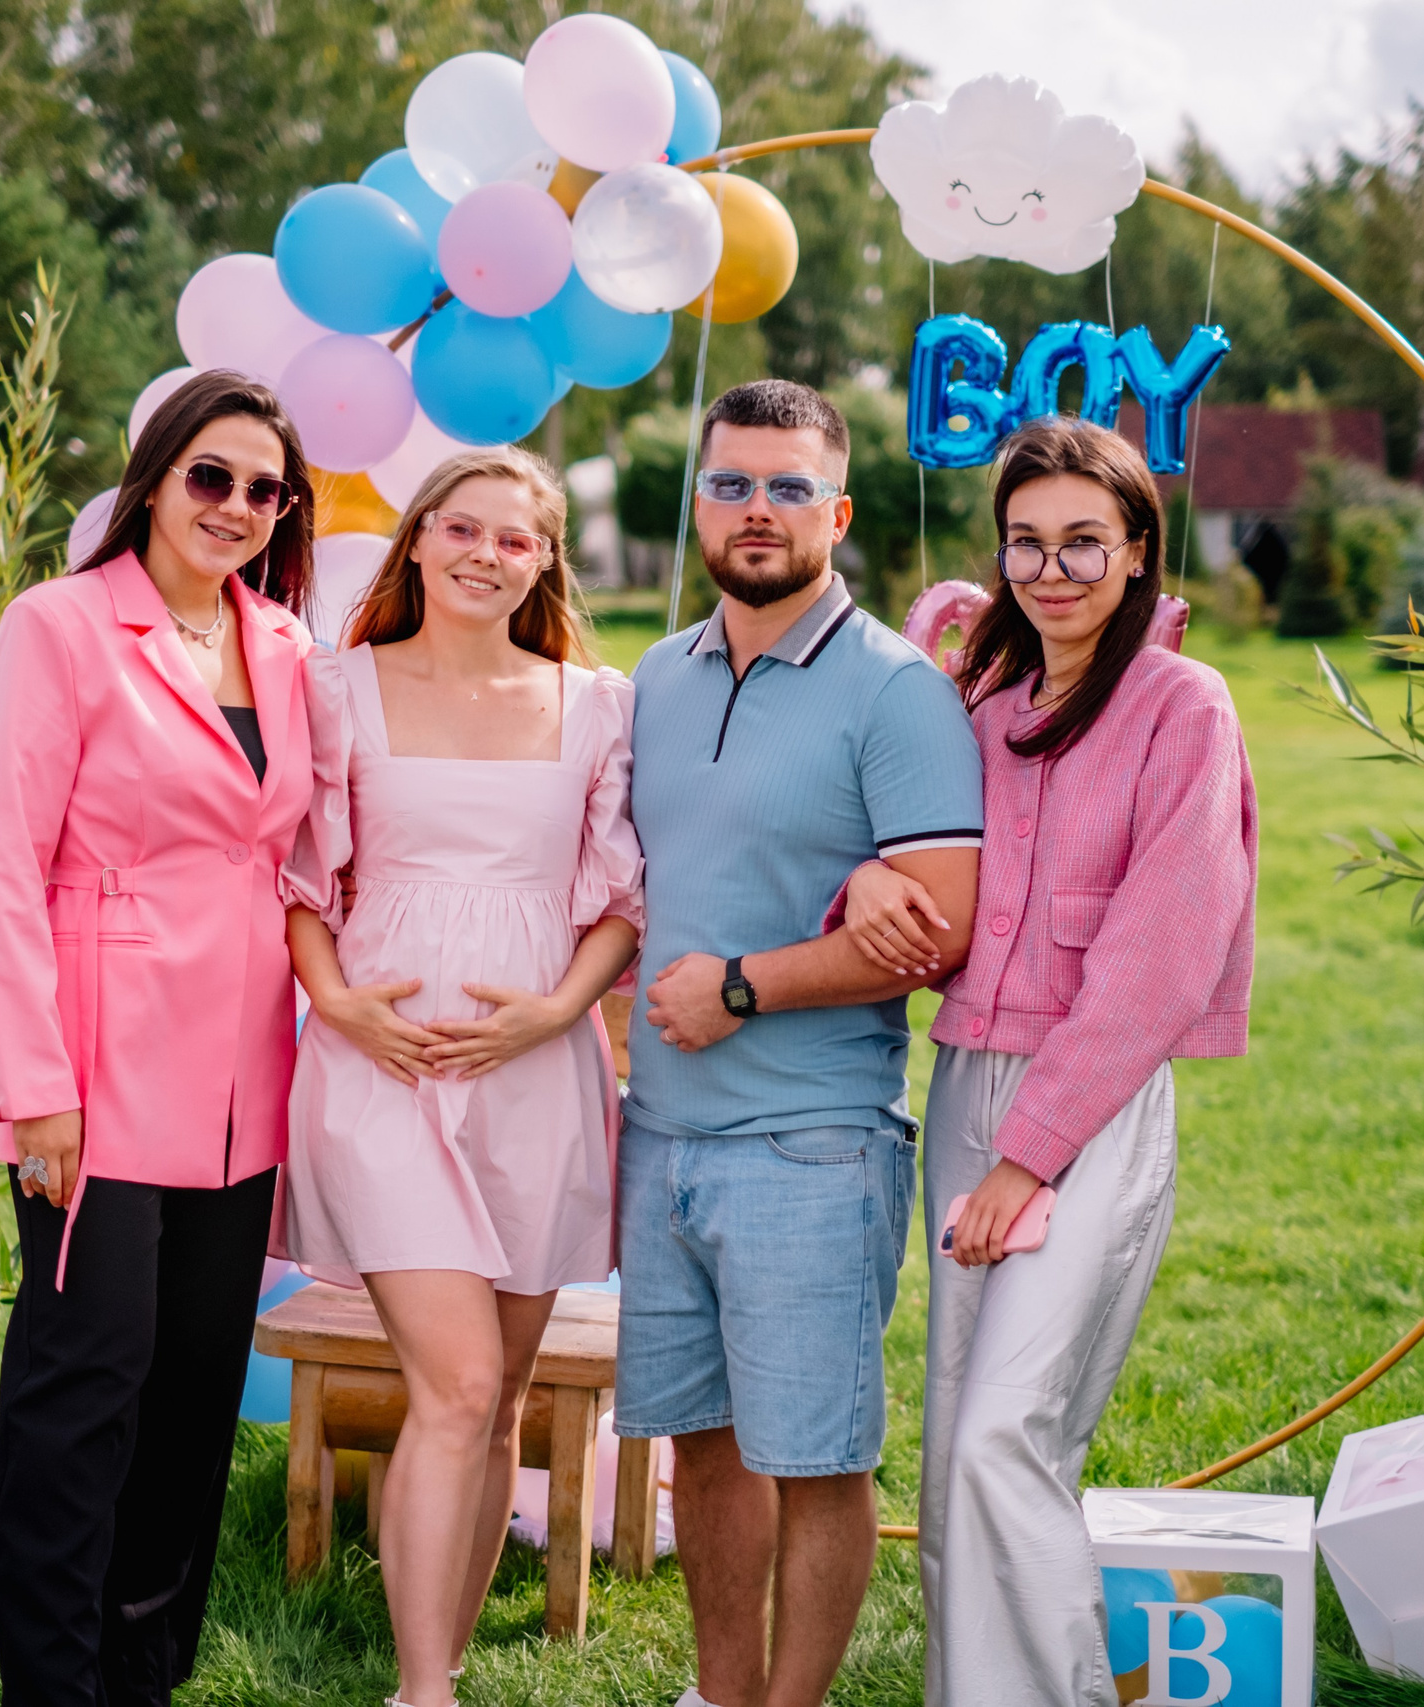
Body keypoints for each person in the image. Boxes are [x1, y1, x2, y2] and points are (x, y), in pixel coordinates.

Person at [835, 416, 1258, 1707]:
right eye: (1028, 541)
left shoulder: (1183, 706)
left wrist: (1033, 1157)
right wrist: (868, 876)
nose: (1054, 567)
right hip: (966, 1079)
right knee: (961, 1437)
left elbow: (1163, 953)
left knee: (1002, 1430)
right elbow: (901, 835)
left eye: (1086, 539)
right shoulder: (986, 699)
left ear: (1139, 550)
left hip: (1091, 1103)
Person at [617, 380, 985, 1707]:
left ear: (837, 510)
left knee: (819, 1455)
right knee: (704, 1448)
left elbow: (939, 923)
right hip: (655, 1135)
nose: (756, 511)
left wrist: (747, 987)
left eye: (786, 488)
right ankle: (720, 1694)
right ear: (698, 500)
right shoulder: (657, 675)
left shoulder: (896, 690)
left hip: (813, 1140)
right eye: (732, 484)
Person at [0, 370, 320, 1707]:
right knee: (84, 1395)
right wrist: (36, 1086)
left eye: (262, 486)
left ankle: (144, 1679)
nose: (234, 505)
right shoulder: (57, 625)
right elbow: (2, 863)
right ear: (155, 479)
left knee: (189, 1409)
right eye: (210, 476)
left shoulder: (284, 646)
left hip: (243, 1086)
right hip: (96, 1080)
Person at [278, 445, 642, 1707]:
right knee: (461, 1379)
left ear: (545, 559)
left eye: (518, 538)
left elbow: (618, 904)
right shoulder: (336, 690)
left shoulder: (596, 702)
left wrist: (552, 1011)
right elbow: (297, 882)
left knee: (498, 1403)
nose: (489, 554)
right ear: (419, 540)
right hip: (378, 1064)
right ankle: (421, 1691)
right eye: (464, 529)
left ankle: (435, 1667)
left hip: (538, 1073)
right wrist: (339, 1007)